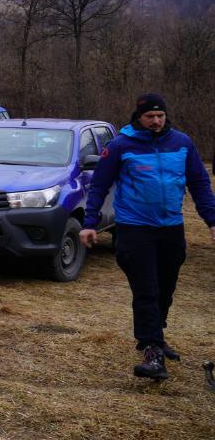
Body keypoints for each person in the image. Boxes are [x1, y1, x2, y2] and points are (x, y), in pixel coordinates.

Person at [80, 93, 215, 381]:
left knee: (166, 288)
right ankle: (152, 351)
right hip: (134, 229)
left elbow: (200, 183)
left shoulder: (182, 143)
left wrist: (212, 221)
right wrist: (89, 223)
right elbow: (99, 186)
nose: (156, 121)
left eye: (160, 116)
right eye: (150, 116)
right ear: (138, 117)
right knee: (147, 289)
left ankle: (155, 335)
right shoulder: (120, 146)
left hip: (171, 227)